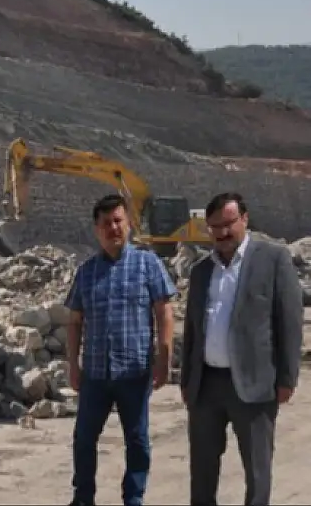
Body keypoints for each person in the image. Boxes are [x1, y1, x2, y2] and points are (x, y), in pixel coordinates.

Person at [180, 192, 302, 506]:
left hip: (255, 383)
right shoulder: (201, 271)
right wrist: (186, 380)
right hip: (206, 385)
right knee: (202, 470)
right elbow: (192, 330)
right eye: (214, 226)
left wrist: (287, 378)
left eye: (228, 224)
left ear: (244, 219)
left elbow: (289, 322)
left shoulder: (273, 260)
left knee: (257, 470)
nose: (222, 232)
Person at [65, 193, 177, 506]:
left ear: (128, 223)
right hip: (96, 374)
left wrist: (163, 358)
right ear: (96, 229)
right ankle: (83, 497)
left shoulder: (147, 263)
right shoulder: (86, 272)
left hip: (134, 371)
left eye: (118, 221)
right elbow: (74, 321)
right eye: (106, 223)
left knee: (138, 440)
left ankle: (134, 498)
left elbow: (164, 311)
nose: (113, 228)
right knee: (84, 439)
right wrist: (72, 364)